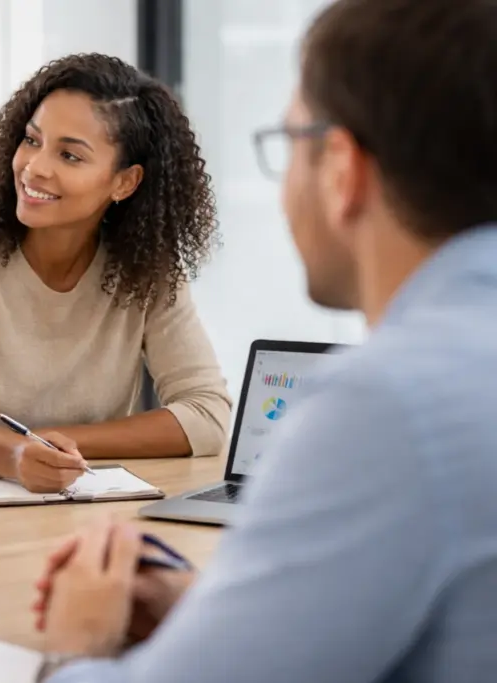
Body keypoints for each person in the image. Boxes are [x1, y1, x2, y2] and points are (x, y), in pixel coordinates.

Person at [30, 0, 497, 680]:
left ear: (342, 170)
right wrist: (227, 613)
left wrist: (75, 641)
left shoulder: (390, 405)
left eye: (290, 144)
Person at [0, 54, 231, 493]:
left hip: (79, 508)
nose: (35, 167)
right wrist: (8, 457)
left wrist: (52, 446)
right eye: (32, 140)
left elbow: (207, 415)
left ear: (125, 182)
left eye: (69, 155)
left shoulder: (147, 270)